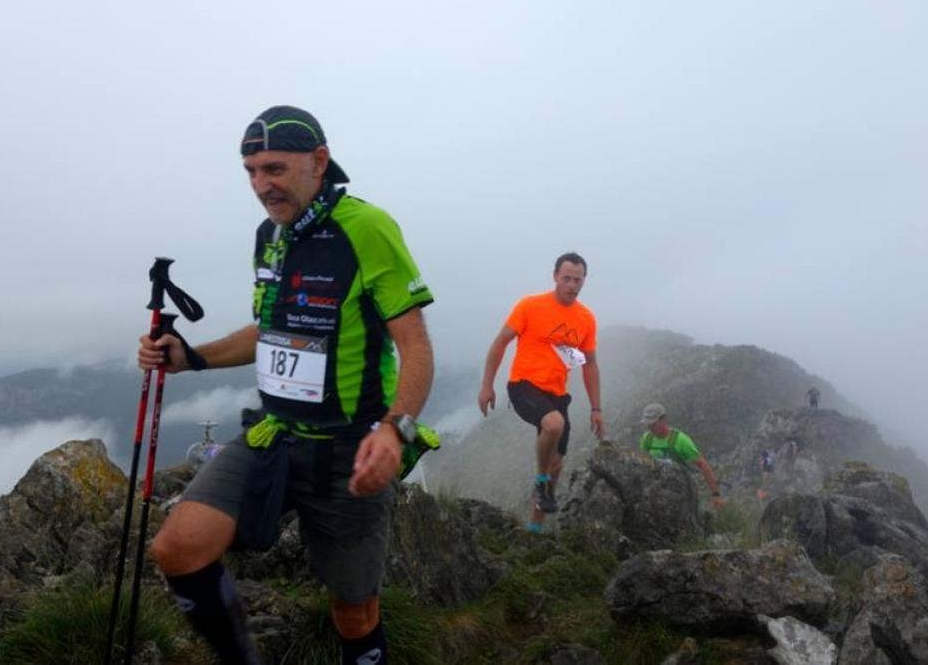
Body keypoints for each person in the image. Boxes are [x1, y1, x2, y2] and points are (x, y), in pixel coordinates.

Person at [138, 106, 435, 665]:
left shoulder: (367, 229)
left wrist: (396, 430)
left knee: (353, 613)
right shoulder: (269, 235)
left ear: (319, 161)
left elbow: (414, 344)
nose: (260, 185)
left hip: (350, 447)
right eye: (250, 171)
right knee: (176, 549)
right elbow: (270, 329)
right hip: (273, 435)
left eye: (273, 168)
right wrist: (191, 357)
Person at [477, 253, 603, 533]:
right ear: (555, 276)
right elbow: (500, 343)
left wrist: (596, 409)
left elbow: (589, 364)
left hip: (556, 394)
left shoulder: (585, 319)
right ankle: (541, 479)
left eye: (577, 280)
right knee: (554, 424)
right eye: (567, 278)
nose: (572, 285)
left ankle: (534, 530)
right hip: (523, 385)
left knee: (557, 464)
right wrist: (487, 385)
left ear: (584, 281)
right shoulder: (530, 306)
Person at [637, 403, 724, 510]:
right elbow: (642, 462)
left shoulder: (681, 440)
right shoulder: (647, 439)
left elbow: (702, 465)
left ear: (663, 419)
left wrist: (715, 494)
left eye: (653, 424)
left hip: (681, 491)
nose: (650, 428)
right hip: (657, 489)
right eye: (648, 424)